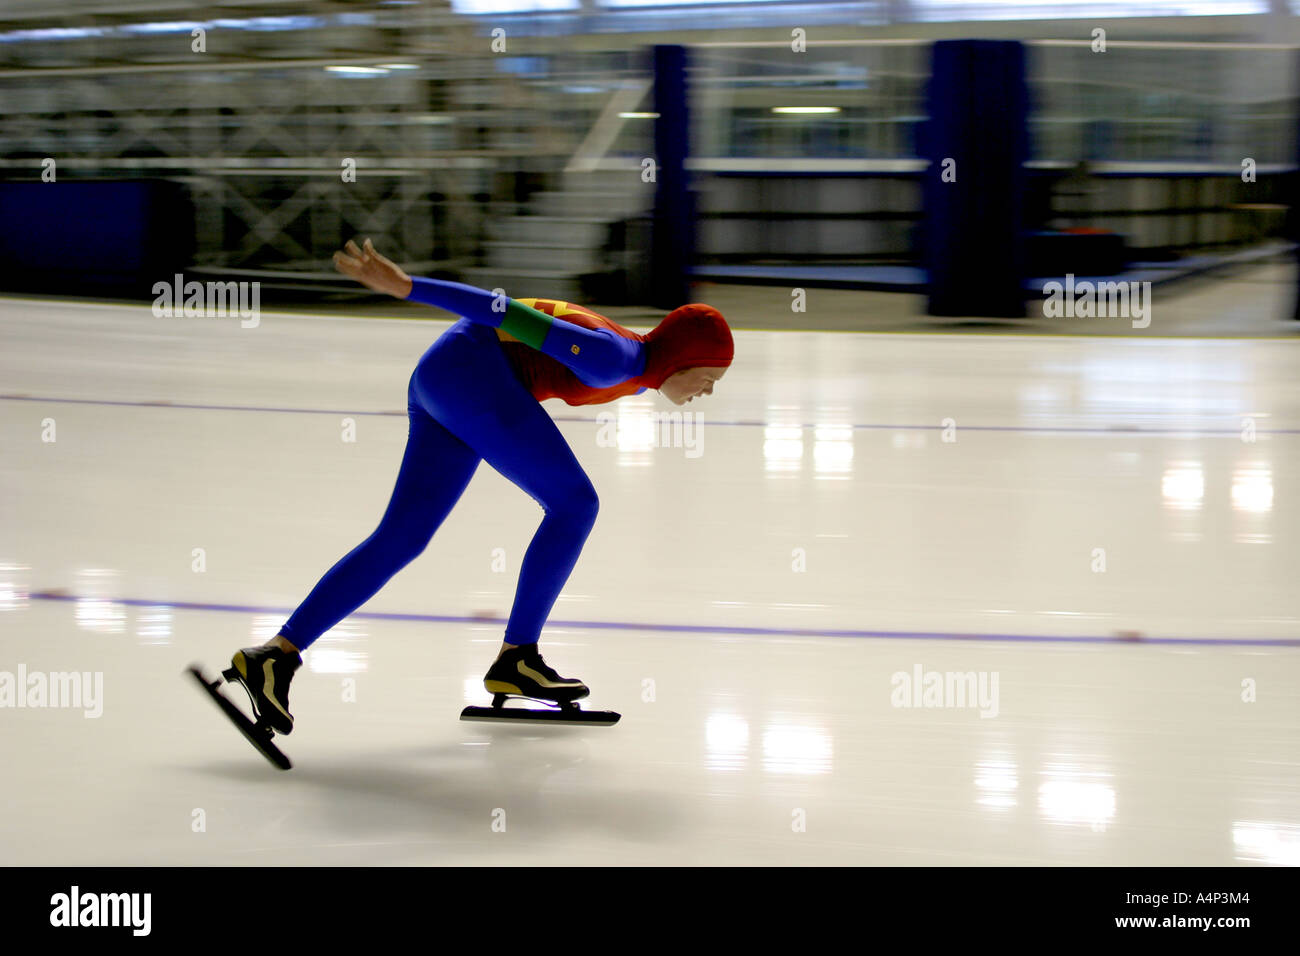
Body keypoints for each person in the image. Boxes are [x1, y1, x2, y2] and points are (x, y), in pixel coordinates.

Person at [225, 238, 734, 732]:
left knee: (403, 536)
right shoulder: (612, 358)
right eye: (709, 376)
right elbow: (501, 310)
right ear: (681, 358)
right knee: (575, 505)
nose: (708, 390)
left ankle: (275, 656)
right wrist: (408, 287)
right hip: (467, 374)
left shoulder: (636, 363)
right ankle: (518, 658)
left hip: (447, 377)